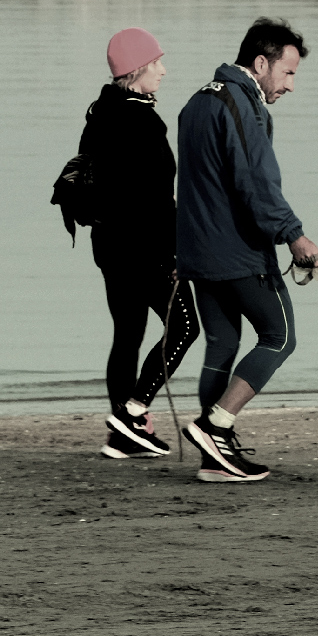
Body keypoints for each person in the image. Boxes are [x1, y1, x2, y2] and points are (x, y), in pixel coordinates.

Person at [176, 17, 318, 482]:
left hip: (198, 251)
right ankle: (216, 426)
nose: (291, 85)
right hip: (238, 252)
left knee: (222, 344)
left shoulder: (196, 102)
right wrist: (295, 236)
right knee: (279, 337)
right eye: (288, 73)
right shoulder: (241, 104)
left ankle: (214, 460)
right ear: (261, 64)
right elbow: (256, 183)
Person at [79, 27, 199, 460]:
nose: (163, 71)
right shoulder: (141, 121)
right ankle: (133, 412)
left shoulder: (100, 114)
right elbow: (155, 200)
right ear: (136, 70)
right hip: (146, 249)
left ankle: (122, 435)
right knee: (185, 328)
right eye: (156, 63)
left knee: (127, 335)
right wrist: (177, 253)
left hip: (109, 245)